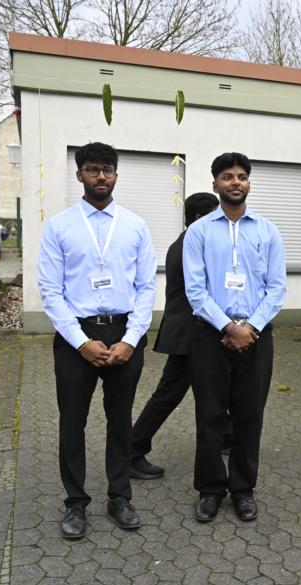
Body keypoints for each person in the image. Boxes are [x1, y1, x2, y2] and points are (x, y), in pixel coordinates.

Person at [37, 142, 157, 538]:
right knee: (72, 422)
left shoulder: (135, 226)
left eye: (107, 169)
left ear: (116, 175)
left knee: (120, 421)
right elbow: (50, 291)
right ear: (80, 175)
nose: (101, 176)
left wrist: (131, 339)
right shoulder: (60, 226)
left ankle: (119, 497)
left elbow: (146, 288)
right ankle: (75, 502)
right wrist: (80, 342)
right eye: (93, 169)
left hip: (124, 333)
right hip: (77, 336)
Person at [183, 152, 286, 523]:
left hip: (256, 336)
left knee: (250, 416)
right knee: (210, 416)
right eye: (227, 176)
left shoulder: (268, 231)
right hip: (210, 337)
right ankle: (210, 490)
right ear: (215, 184)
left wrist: (250, 328)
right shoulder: (198, 232)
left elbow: (277, 288)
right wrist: (229, 327)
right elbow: (195, 290)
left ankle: (243, 489)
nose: (235, 182)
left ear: (249, 184)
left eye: (241, 176)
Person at [128, 192, 219, 480]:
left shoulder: (183, 242)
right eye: (215, 217)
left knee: (217, 388)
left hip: (190, 331)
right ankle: (131, 450)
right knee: (168, 395)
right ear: (199, 218)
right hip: (189, 333)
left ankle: (227, 437)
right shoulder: (191, 246)